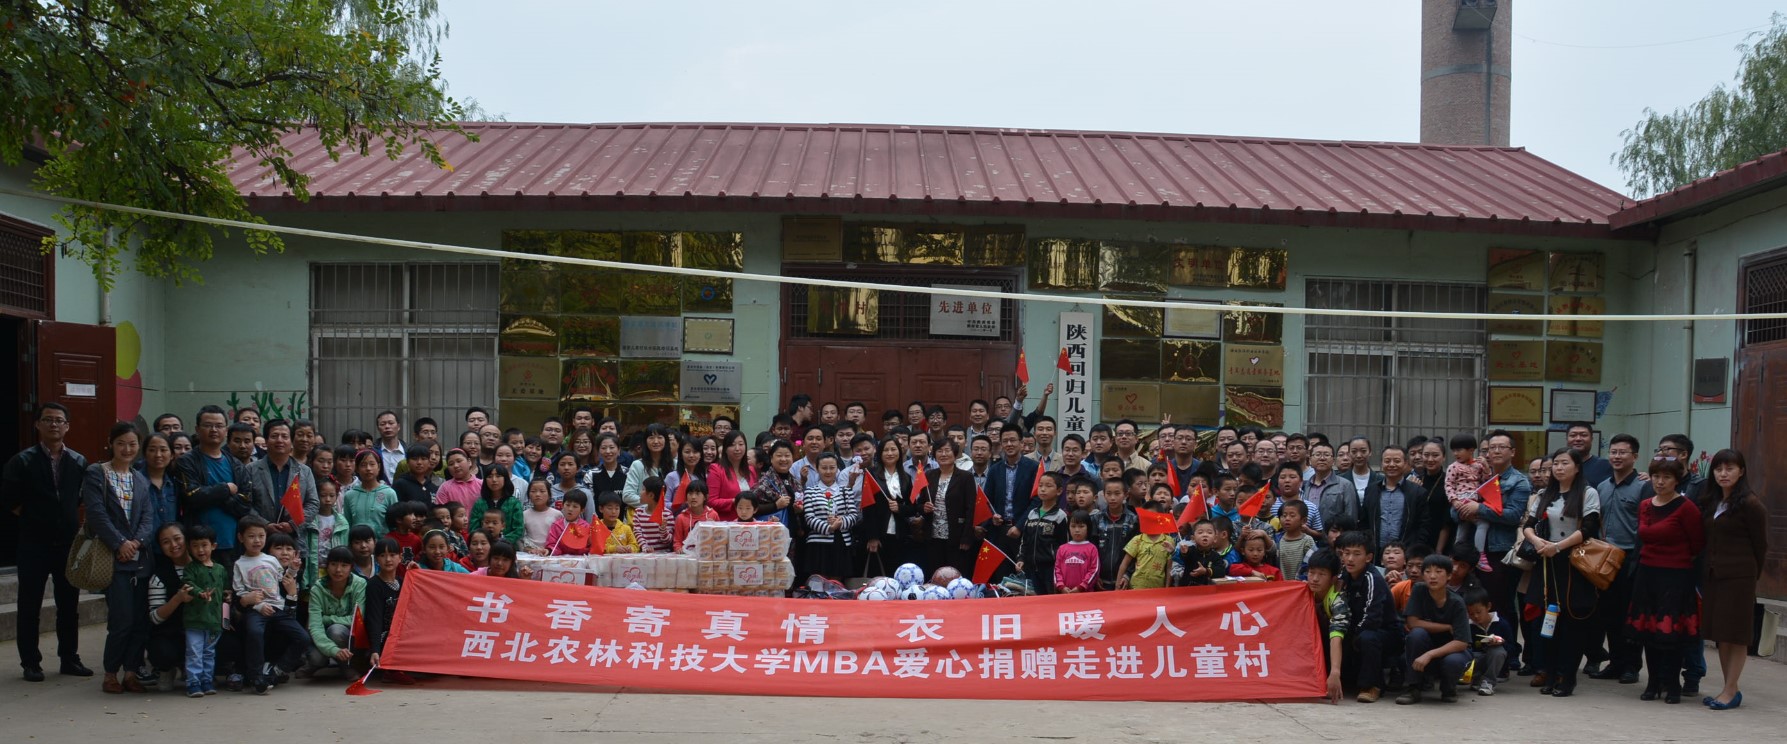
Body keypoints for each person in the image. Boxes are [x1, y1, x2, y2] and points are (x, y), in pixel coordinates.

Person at [3, 403, 92, 682]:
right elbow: (9, 500)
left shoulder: (78, 461)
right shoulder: (22, 461)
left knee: (69, 605)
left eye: (59, 420)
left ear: (67, 426)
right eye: (48, 420)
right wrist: (36, 518)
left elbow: (80, 497)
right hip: (34, 544)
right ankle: (31, 662)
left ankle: (69, 658)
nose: (54, 425)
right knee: (29, 606)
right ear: (38, 425)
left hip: (67, 545)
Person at [82, 421, 157, 693]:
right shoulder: (97, 473)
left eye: (132, 444)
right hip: (113, 559)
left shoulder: (140, 479)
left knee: (140, 621)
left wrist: (136, 543)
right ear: (111, 444)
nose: (127, 449)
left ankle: (132, 672)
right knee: (121, 620)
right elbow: (96, 514)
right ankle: (111, 673)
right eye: (121, 443)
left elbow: (148, 517)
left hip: (140, 560)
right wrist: (119, 543)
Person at [1523, 447, 1601, 697]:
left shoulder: (1587, 493)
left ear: (1577, 467)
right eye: (1555, 463)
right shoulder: (1545, 494)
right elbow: (1528, 525)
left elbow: (1588, 528)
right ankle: (1550, 672)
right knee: (1547, 622)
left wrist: (1558, 547)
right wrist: (1538, 542)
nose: (1558, 468)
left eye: (1564, 463)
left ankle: (1567, 677)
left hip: (1573, 562)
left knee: (1571, 624)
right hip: (1546, 560)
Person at [1626, 457, 1703, 704]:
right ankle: (1653, 682)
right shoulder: (1645, 505)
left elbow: (1697, 543)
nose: (1660, 482)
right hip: (1647, 573)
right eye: (1656, 476)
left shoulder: (1687, 507)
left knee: (1671, 632)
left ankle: (1672, 684)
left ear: (1676, 480)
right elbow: (1642, 537)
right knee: (1648, 630)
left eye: (1666, 477)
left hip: (1676, 575)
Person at [1697, 448, 1768, 710]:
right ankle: (1729, 689)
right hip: (1714, 575)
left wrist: (1750, 577)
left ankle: (1730, 690)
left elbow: (1760, 546)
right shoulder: (1713, 501)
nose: (1723, 474)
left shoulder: (1750, 504)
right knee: (1721, 634)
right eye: (1718, 469)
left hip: (1739, 578)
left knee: (1736, 635)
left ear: (1741, 472)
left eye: (1729, 469)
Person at [1591, 434, 1647, 684]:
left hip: (1630, 557)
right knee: (1608, 613)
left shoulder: (1644, 486)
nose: (1616, 456)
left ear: (1634, 456)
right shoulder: (1602, 486)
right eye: (1613, 452)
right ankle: (1615, 662)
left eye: (1622, 452)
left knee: (1630, 614)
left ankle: (1631, 666)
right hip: (1605, 558)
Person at [232, 517, 310, 694]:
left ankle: (277, 670)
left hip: (278, 607)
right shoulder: (239, 564)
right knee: (254, 632)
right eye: (251, 536)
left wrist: (294, 569)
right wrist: (258, 606)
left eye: (261, 536)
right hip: (256, 610)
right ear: (241, 538)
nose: (257, 540)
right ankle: (256, 675)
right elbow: (240, 592)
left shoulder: (271, 560)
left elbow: (283, 580)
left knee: (303, 637)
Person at [1396, 553, 1472, 704]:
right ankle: (1413, 687)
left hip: (1451, 652)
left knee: (1454, 661)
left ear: (1449, 575)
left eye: (1438, 572)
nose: (1432, 576)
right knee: (1416, 635)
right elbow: (1412, 623)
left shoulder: (1457, 602)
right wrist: (1446, 627)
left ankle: (1449, 688)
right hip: (1424, 647)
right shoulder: (1419, 590)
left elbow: (1461, 642)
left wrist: (1430, 654)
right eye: (1428, 571)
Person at [1334, 530, 1396, 703]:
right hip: (1358, 628)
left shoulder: (1372, 578)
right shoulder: (1343, 575)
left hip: (1385, 632)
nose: (1350, 559)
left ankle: (1373, 685)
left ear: (1368, 557)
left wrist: (1353, 634)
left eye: (1356, 554)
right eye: (1346, 553)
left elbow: (1372, 617)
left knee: (1366, 637)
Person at [245, 419, 317, 534]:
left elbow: (313, 503)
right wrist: (265, 525)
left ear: (291, 441)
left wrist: (293, 525)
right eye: (274, 436)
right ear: (266, 441)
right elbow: (246, 504)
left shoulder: (304, 471)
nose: (280, 440)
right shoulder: (251, 469)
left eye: (284, 436)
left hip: (294, 537)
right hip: (261, 536)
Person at [180, 524, 227, 697]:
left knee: (209, 652)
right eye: (195, 546)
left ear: (213, 546)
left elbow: (225, 590)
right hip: (195, 620)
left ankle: (207, 680)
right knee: (194, 652)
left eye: (204, 545)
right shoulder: (190, 568)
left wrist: (227, 597)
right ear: (189, 547)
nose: (200, 550)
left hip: (214, 621)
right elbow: (188, 584)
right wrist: (200, 593)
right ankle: (193, 683)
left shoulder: (220, 569)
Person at [303, 546, 365, 677]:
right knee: (316, 658)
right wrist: (333, 650)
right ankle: (313, 665)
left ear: (351, 567)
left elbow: (358, 619)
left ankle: (346, 666)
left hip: (348, 637)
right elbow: (315, 626)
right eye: (333, 564)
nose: (338, 570)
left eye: (344, 565)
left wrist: (327, 619)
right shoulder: (317, 589)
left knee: (336, 630)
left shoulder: (359, 584)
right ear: (327, 566)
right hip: (322, 636)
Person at [918, 439, 977, 575]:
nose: (943, 454)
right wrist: (924, 508)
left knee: (954, 575)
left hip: (957, 536)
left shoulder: (965, 477)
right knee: (935, 574)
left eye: (947, 450)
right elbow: (920, 503)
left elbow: (971, 509)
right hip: (933, 536)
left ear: (955, 454)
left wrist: (966, 537)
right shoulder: (929, 475)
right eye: (939, 451)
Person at [363, 538, 415, 685]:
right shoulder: (374, 585)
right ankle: (391, 671)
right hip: (384, 637)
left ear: (400, 557)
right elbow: (374, 619)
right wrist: (375, 650)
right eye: (383, 555)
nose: (388, 560)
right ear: (376, 558)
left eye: (392, 555)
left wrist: (417, 574)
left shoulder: (403, 582)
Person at [801, 452, 859, 581]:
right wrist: (829, 527)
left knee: (837, 581)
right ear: (817, 469)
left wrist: (840, 522)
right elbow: (809, 517)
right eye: (824, 468)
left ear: (837, 469)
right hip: (818, 543)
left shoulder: (845, 491)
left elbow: (853, 515)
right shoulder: (810, 492)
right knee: (818, 581)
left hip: (841, 542)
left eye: (832, 468)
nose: (828, 471)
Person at [1015, 472, 1068, 595]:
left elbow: (1064, 545)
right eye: (1040, 485)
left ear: (1059, 491)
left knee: (1051, 598)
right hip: (1031, 567)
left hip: (1051, 568)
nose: (1043, 489)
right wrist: (1021, 558)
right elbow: (1025, 540)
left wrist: (1059, 566)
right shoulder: (1032, 513)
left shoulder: (1060, 516)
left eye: (1048, 486)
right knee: (1035, 598)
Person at [301, 479, 349, 593]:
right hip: (314, 565)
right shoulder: (310, 520)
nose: (327, 499)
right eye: (323, 495)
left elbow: (345, 548)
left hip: (334, 568)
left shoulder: (342, 522)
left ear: (337, 496)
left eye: (332, 496)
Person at [1466, 589, 1514, 696]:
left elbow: (1512, 649)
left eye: (1479, 612)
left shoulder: (1501, 624)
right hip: (1477, 660)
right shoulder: (1468, 626)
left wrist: (1502, 642)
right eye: (1471, 614)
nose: (1475, 616)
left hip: (1496, 661)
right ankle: (1476, 678)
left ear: (1488, 606)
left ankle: (1489, 682)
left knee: (1498, 652)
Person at [341, 450, 397, 536]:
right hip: (357, 541)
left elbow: (395, 524)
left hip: (383, 543)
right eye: (363, 465)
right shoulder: (350, 495)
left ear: (379, 467)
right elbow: (348, 524)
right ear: (357, 468)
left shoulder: (389, 493)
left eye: (372, 464)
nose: (368, 468)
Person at [472, 463, 526, 546]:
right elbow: (473, 529)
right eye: (490, 476)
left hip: (508, 547)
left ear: (505, 479)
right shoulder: (479, 503)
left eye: (498, 476)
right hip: (483, 547)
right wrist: (485, 542)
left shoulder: (514, 503)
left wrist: (501, 542)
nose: (494, 480)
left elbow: (518, 529)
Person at [708, 430, 756, 522]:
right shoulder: (716, 469)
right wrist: (736, 501)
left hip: (749, 523)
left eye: (741, 444)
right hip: (726, 523)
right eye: (732, 445)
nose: (737, 448)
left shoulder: (751, 470)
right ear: (725, 449)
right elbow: (711, 501)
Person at [623, 424, 675, 507]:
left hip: (670, 513)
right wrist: (653, 505)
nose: (656, 441)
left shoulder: (675, 464)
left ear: (666, 440)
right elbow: (627, 495)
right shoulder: (638, 465)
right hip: (644, 513)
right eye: (651, 438)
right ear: (645, 441)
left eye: (660, 437)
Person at [1054, 511, 1099, 593]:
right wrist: (1061, 586)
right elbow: (1057, 569)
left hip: (1085, 593)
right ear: (1068, 527)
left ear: (1088, 528)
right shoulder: (1062, 548)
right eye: (1073, 526)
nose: (1077, 530)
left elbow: (1094, 570)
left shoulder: (1092, 548)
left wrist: (1082, 587)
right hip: (1065, 593)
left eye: (1081, 526)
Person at [1275, 500, 1319, 581]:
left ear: (1303, 520)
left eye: (1292, 516)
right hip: (1280, 584)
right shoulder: (1277, 539)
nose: (1287, 519)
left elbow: (1312, 564)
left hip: (1300, 584)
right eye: (1284, 515)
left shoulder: (1307, 540)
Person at [672, 483, 718, 553]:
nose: (693, 497)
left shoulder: (713, 515)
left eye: (697, 493)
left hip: (707, 554)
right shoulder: (681, 518)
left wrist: (713, 528)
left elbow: (718, 540)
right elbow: (677, 542)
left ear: (705, 497)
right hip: (687, 555)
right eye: (690, 494)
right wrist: (678, 549)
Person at [632, 476, 673, 554]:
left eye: (643, 489)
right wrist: (645, 547)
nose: (640, 492)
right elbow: (637, 533)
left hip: (664, 555)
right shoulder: (638, 512)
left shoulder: (667, 514)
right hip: (644, 555)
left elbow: (668, 541)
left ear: (651, 495)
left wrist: (663, 530)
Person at [544, 490, 592, 556]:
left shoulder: (586, 527)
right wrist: (549, 551)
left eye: (575, 506)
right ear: (562, 505)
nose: (570, 509)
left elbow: (588, 549)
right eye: (567, 505)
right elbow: (552, 544)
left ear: (582, 510)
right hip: (560, 560)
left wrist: (588, 544)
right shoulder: (556, 526)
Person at [521, 479, 562, 554]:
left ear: (549, 495)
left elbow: (561, 537)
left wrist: (550, 549)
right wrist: (528, 549)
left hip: (551, 553)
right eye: (533, 491)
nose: (537, 494)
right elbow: (520, 538)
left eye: (542, 491)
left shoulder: (557, 514)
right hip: (530, 553)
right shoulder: (524, 515)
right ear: (528, 495)